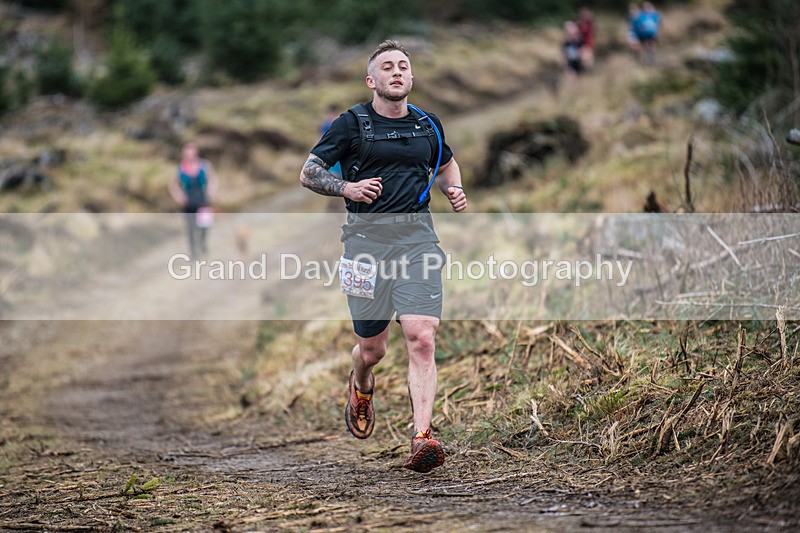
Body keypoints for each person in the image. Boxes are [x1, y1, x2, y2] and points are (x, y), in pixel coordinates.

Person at [299, 40, 467, 473]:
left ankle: (422, 436)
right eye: (387, 67)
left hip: (418, 242)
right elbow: (309, 171)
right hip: (363, 247)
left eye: (403, 66)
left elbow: (447, 165)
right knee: (371, 349)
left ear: (411, 78)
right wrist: (347, 188)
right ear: (371, 81)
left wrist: (453, 188)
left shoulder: (429, 125)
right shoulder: (351, 124)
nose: (397, 72)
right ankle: (360, 383)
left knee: (422, 336)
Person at [168, 141, 217, 258]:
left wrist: (211, 190)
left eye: (192, 153)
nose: (189, 155)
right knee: (190, 229)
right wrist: (179, 196)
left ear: (196, 153)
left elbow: (213, 179)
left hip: (203, 199)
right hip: (188, 202)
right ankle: (193, 254)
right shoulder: (180, 168)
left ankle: (203, 244)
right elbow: (172, 185)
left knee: (205, 225)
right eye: (187, 153)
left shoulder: (204, 165)